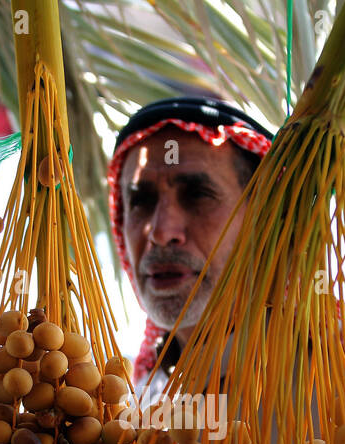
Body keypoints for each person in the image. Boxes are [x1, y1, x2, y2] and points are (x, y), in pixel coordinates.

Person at [106, 97, 273, 389]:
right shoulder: (134, 400)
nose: (161, 232)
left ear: (263, 219)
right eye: (140, 201)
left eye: (197, 194)